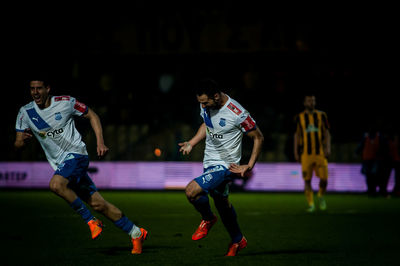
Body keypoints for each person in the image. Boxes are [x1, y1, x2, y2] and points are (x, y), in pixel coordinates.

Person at [14, 77, 148, 254]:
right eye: (32, 89)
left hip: (77, 155)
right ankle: (136, 232)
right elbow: (17, 143)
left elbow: (92, 115)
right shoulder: (25, 112)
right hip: (61, 164)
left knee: (56, 185)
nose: (35, 92)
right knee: (99, 204)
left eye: (39, 88)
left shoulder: (66, 102)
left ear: (48, 88)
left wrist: (100, 142)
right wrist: (21, 142)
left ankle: (91, 221)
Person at [179, 79, 264, 256]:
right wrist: (192, 143)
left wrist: (249, 165)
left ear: (216, 96)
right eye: (200, 102)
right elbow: (207, 125)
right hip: (209, 161)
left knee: (192, 191)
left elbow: (258, 137)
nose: (202, 106)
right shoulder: (206, 106)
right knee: (222, 204)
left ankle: (208, 219)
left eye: (205, 102)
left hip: (226, 165)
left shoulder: (237, 112)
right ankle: (238, 240)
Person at [293, 94, 331, 212]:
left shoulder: (321, 115)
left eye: (313, 101)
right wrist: (296, 151)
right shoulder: (299, 117)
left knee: (324, 179)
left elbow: (326, 133)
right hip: (305, 154)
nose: (311, 103)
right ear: (305, 103)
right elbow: (297, 135)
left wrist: (328, 148)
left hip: (320, 153)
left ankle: (320, 196)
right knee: (307, 180)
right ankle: (311, 204)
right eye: (309, 101)